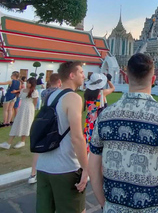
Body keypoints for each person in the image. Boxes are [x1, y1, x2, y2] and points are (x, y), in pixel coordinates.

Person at [89, 53, 158, 213]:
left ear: (126, 78)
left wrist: (106, 205)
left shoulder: (105, 116)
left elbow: (93, 169)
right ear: (153, 79)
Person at [36, 61, 88, 213]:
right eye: (81, 73)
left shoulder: (51, 95)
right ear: (71, 75)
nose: (84, 76)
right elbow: (77, 137)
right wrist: (85, 168)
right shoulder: (73, 98)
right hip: (65, 167)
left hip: (44, 165)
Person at [29, 73, 61, 185]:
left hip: (43, 120)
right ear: (59, 81)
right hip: (53, 121)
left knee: (40, 147)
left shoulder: (44, 92)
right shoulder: (58, 93)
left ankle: (33, 173)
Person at [0, 77, 38, 150]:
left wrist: (33, 109)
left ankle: (22, 141)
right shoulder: (23, 90)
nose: (27, 84)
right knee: (17, 123)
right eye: (27, 82)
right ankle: (8, 143)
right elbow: (19, 96)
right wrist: (15, 92)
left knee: (26, 124)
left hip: (29, 109)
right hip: (22, 108)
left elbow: (35, 102)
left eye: (29, 83)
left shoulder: (34, 91)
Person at [83, 73, 115, 153]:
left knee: (88, 138)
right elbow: (113, 88)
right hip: (98, 119)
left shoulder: (87, 93)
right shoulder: (102, 93)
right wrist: (108, 80)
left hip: (89, 120)